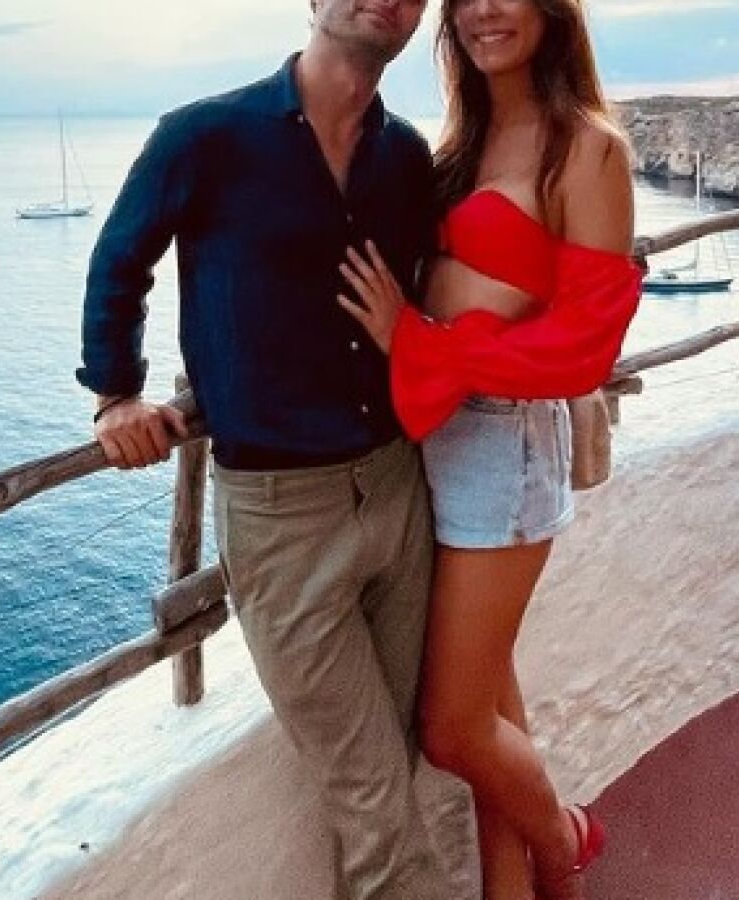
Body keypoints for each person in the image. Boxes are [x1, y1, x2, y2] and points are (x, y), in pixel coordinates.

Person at [77, 2, 452, 898]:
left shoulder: (404, 157)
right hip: (283, 516)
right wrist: (117, 393)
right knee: (370, 790)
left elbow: (429, 294)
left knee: (396, 755)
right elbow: (120, 262)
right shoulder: (205, 136)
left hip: (397, 485)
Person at [336, 1, 644, 898]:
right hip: (433, 436)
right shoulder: (460, 144)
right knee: (492, 704)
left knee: (452, 729)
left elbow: (587, 343)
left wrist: (422, 346)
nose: (481, 10)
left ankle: (563, 839)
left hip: (502, 447)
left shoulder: (586, 147)